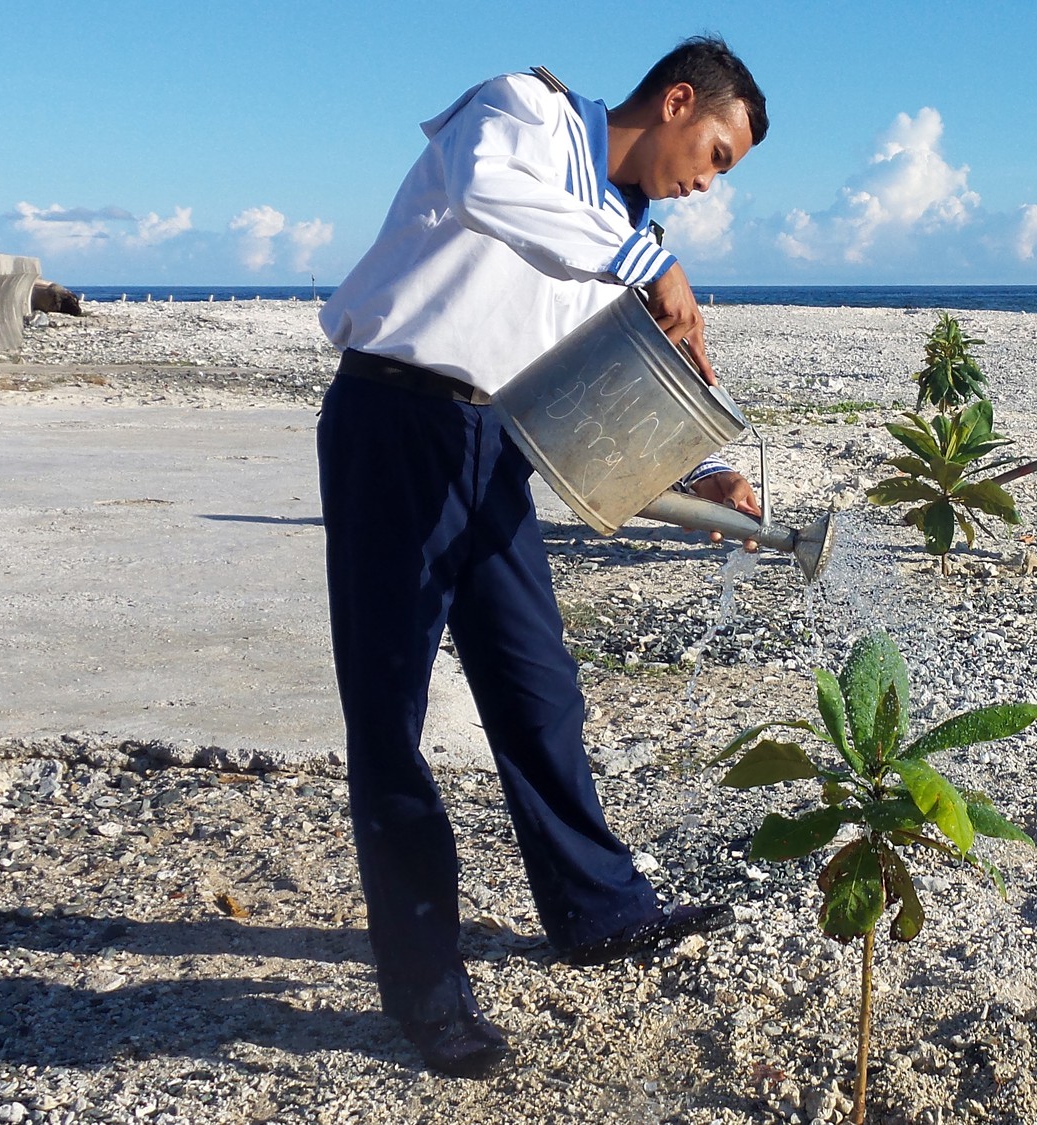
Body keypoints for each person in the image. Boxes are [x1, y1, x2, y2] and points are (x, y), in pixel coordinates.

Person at [314, 37, 767, 1079]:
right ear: (677, 100)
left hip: (496, 441)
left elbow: (605, 370)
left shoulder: (618, 227)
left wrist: (701, 470)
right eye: (716, 154)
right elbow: (482, 191)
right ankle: (427, 985)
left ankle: (597, 909)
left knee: (537, 689)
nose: (708, 182)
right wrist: (651, 266)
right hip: (394, 414)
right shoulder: (524, 111)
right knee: (391, 714)